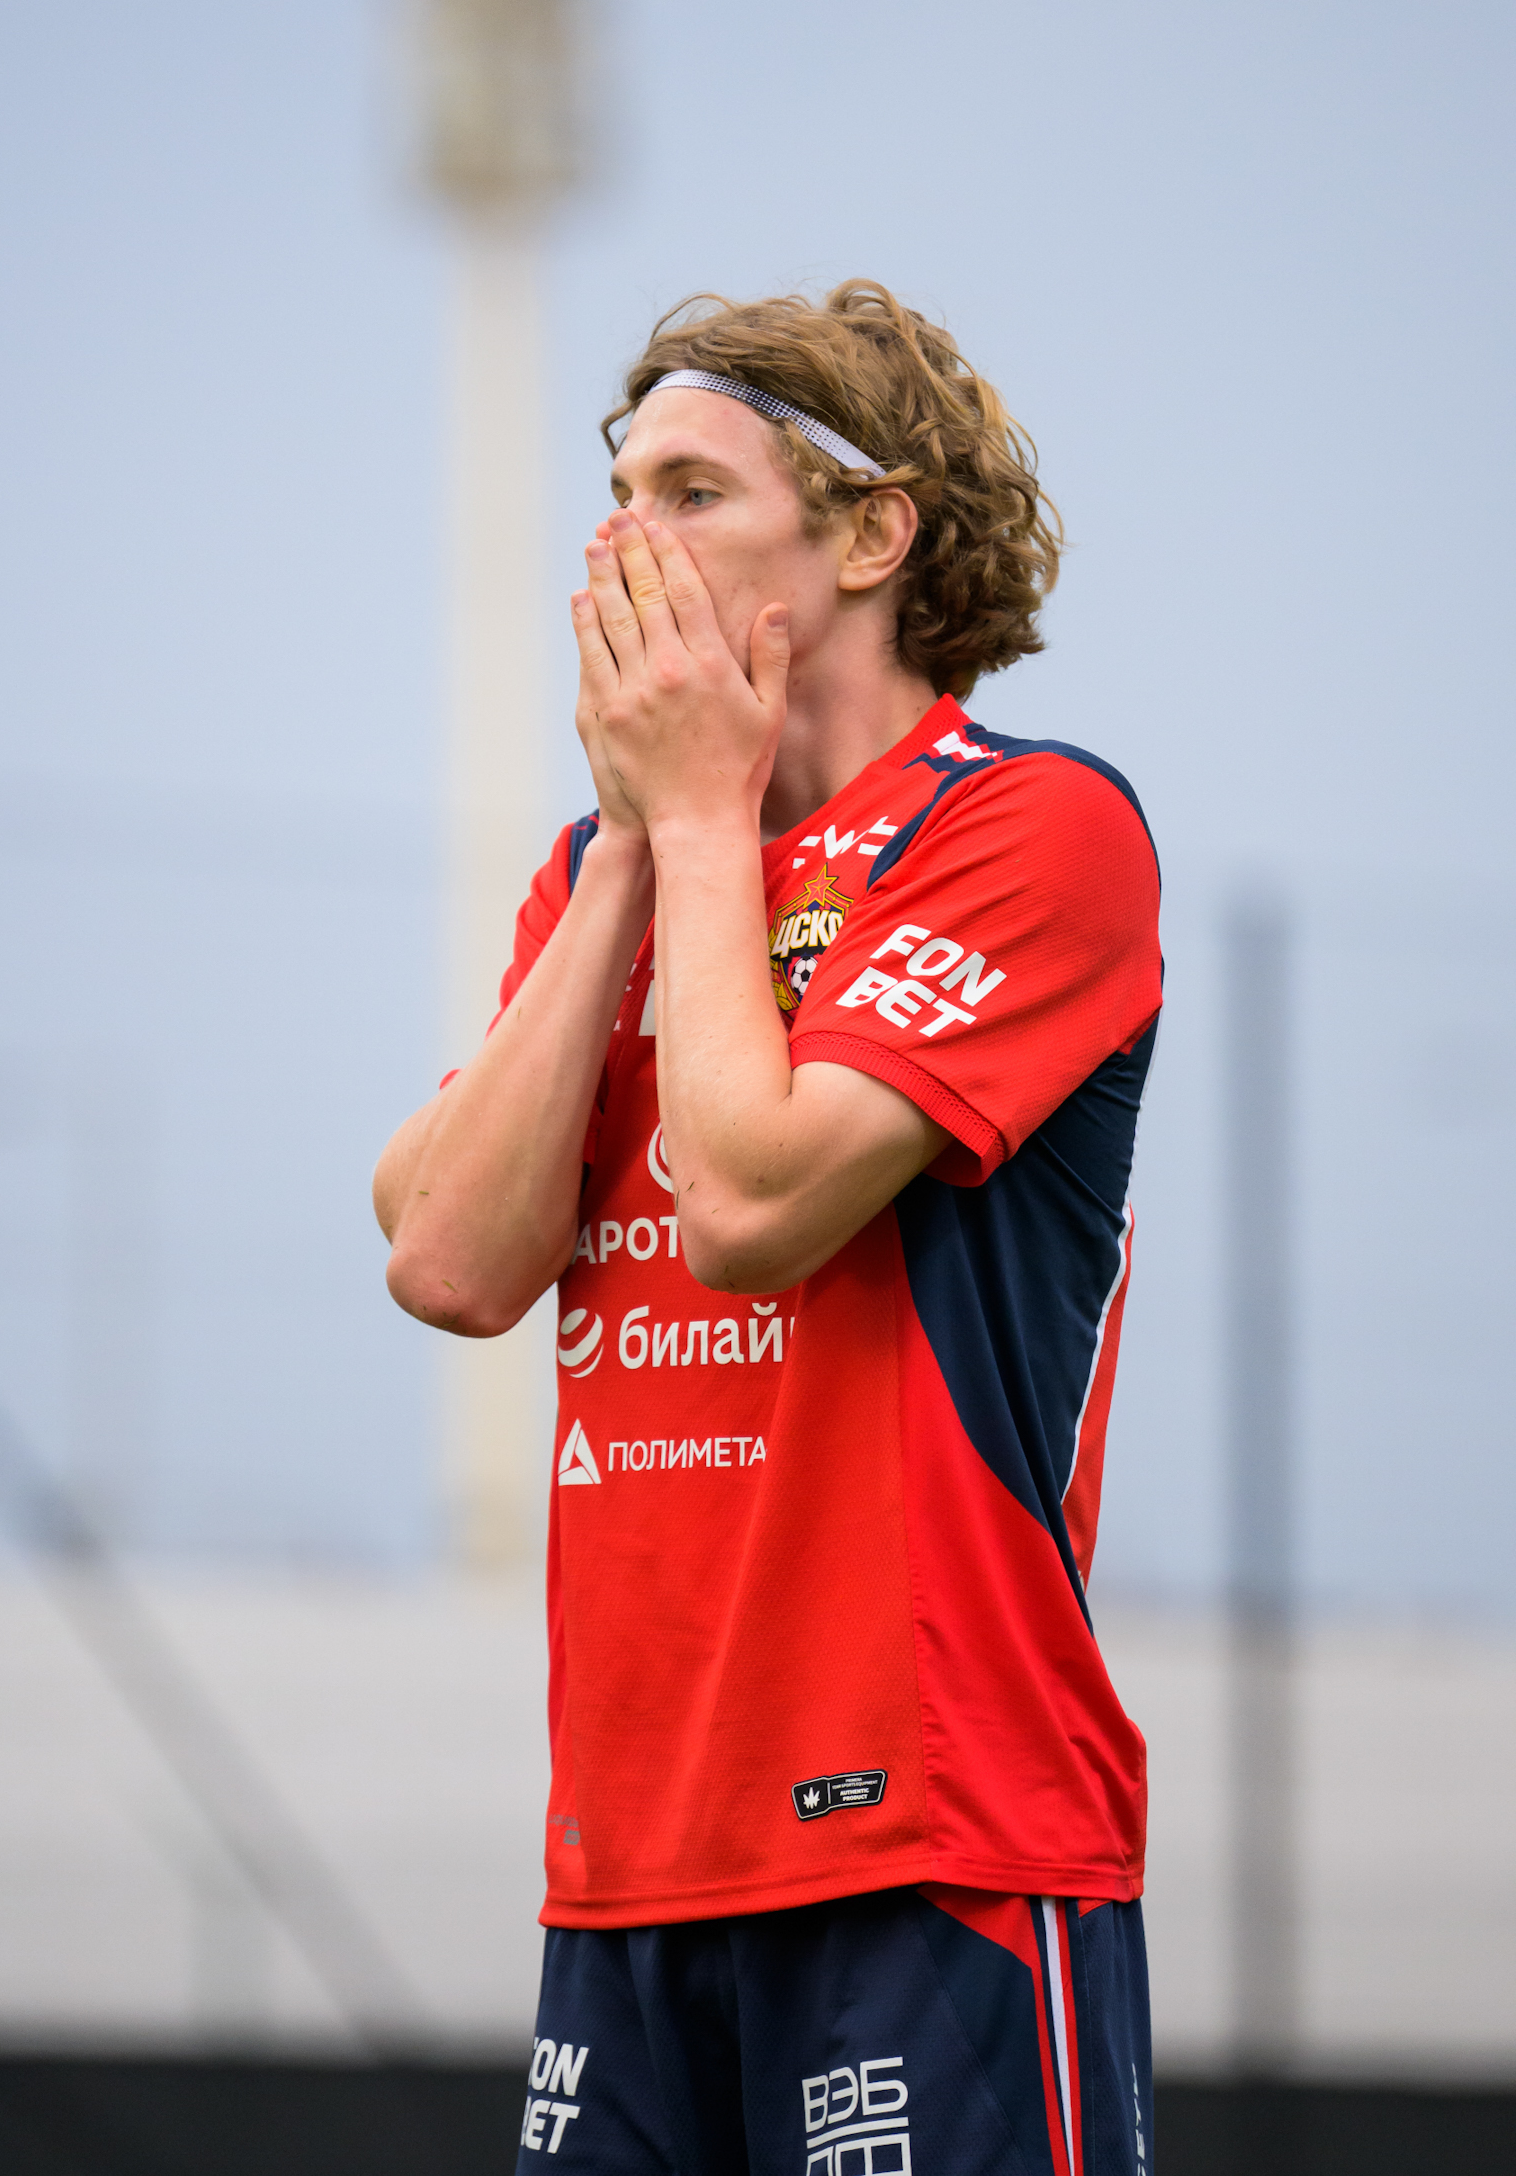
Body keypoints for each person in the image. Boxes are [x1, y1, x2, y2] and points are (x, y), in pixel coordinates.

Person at [374, 282, 1163, 2175]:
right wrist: (632, 852)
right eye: (617, 492)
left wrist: (700, 825)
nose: (620, 544)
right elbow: (448, 1258)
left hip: (936, 1853)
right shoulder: (610, 871)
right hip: (631, 1867)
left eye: (692, 491)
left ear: (872, 534)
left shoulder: (1033, 828)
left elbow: (743, 1201)